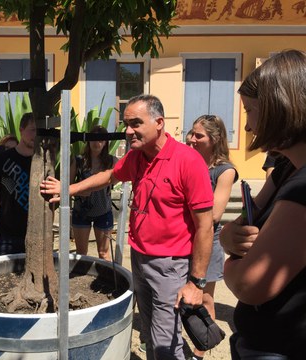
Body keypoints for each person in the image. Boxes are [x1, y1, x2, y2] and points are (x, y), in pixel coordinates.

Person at [41, 94, 214, 359]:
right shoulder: (137, 157)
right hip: (140, 258)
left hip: (170, 265)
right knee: (149, 332)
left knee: (166, 340)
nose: (128, 131)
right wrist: (68, 188)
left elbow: (205, 226)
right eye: (126, 124)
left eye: (135, 123)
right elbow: (109, 176)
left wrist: (196, 282)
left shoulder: (188, 162)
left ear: (159, 123)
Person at [221, 49, 306, 359]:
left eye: (250, 110)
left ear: (278, 108)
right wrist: (228, 236)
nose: (247, 127)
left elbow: (249, 284)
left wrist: (229, 262)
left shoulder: (303, 186)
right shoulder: (286, 167)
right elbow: (247, 217)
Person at [188, 114, 238, 360]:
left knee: (205, 297)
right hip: (183, 239)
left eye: (199, 135)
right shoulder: (189, 161)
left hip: (208, 240)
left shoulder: (225, 171)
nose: (191, 139)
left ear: (215, 138)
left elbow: (215, 214)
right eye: (192, 133)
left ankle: (201, 348)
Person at [0, 113, 36, 256]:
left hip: (35, 234)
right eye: (32, 129)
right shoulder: (1, 160)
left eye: (38, 130)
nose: (35, 134)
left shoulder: (44, 162)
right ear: (21, 130)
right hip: (6, 235)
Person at [71, 125, 118, 260]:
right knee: (81, 253)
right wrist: (79, 191)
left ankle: (107, 279)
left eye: (101, 140)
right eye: (93, 139)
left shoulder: (112, 161)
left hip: (103, 211)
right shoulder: (78, 160)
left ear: (105, 143)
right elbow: (67, 185)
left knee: (104, 253)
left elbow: (120, 178)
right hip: (81, 211)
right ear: (88, 141)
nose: (97, 143)